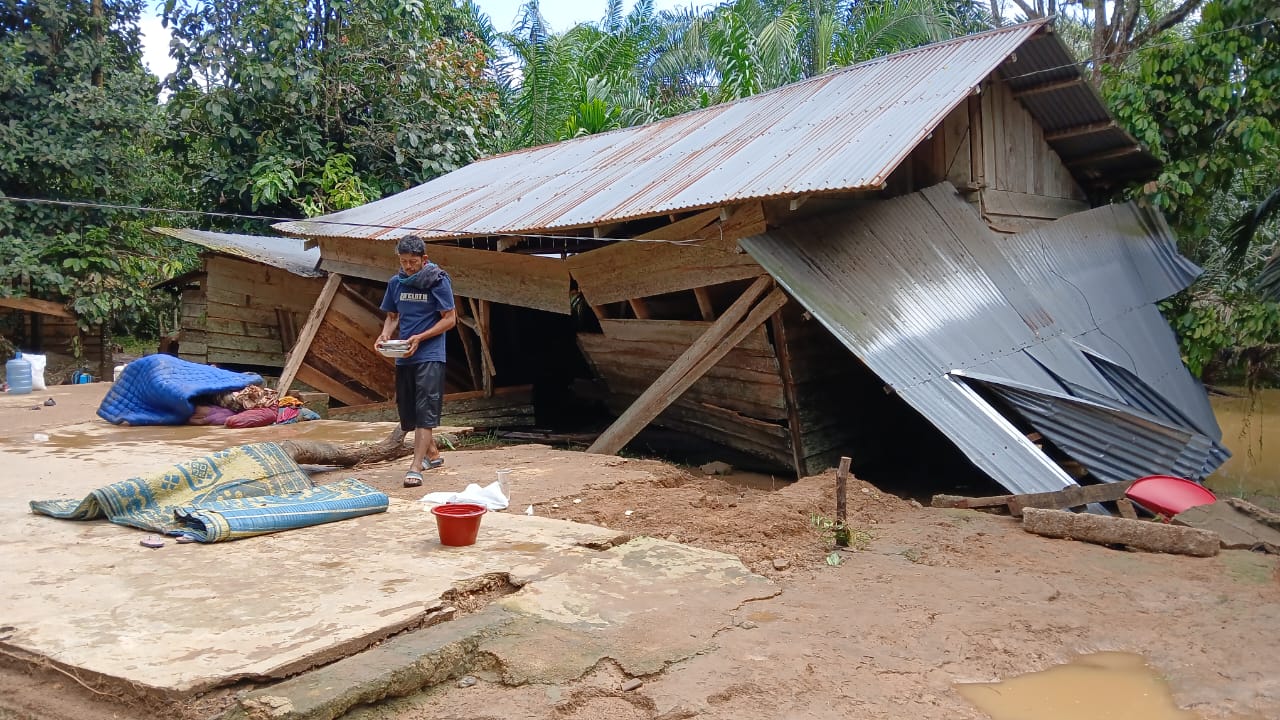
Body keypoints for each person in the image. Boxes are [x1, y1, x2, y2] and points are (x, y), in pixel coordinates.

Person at [377, 235, 457, 487]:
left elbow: (450, 319)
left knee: (425, 411)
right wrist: (385, 335)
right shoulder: (396, 283)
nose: (408, 267)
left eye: (413, 262)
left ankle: (415, 466)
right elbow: (393, 315)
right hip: (404, 356)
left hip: (430, 355)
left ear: (424, 259)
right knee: (408, 409)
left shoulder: (438, 281)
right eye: (403, 262)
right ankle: (432, 454)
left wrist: (420, 338)